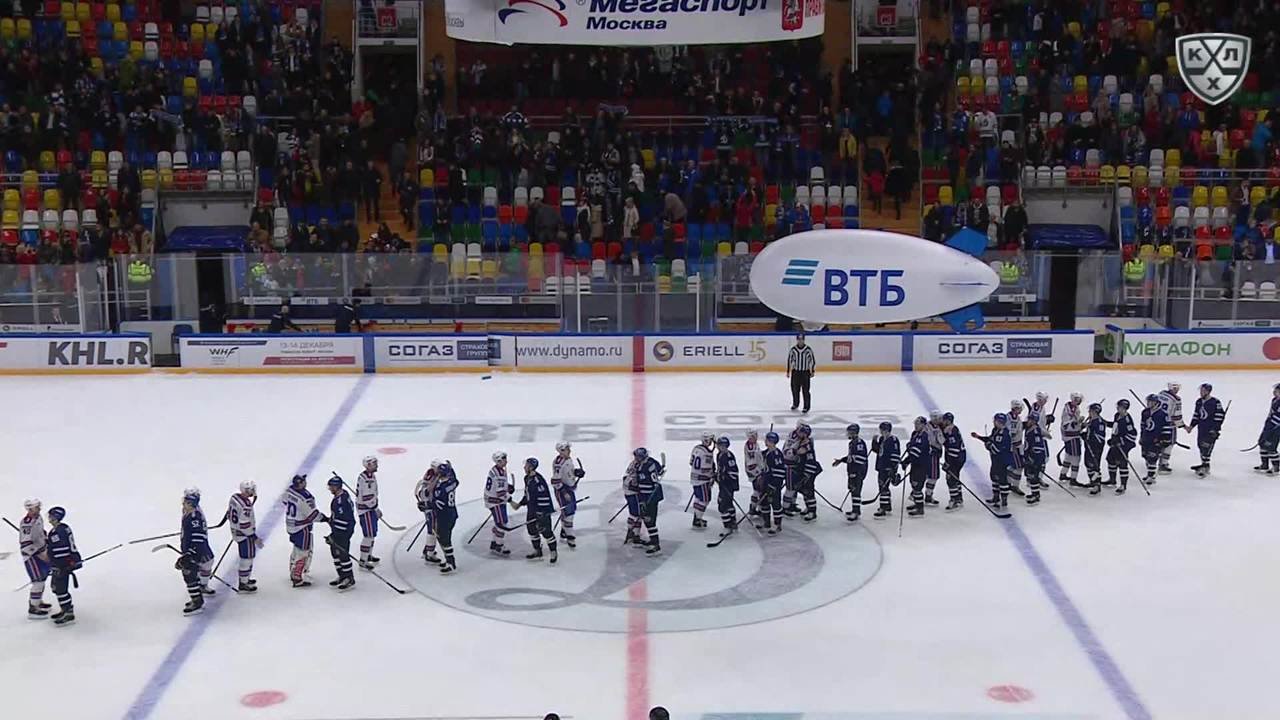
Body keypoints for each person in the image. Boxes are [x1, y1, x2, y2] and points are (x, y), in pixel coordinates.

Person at [515, 458, 557, 563]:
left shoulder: (538, 480)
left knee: (546, 532)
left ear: (531, 467)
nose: (524, 467)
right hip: (531, 510)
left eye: (526, 465)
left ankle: (553, 551)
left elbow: (544, 496)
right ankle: (537, 551)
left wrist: (542, 512)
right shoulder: (527, 478)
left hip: (541, 511)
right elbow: (528, 494)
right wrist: (520, 504)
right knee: (532, 530)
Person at [46, 506, 81, 627]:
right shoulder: (63, 528)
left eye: (50, 516)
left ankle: (68, 613)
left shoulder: (58, 531)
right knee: (56, 588)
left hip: (63, 565)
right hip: (66, 563)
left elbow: (60, 549)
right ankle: (64, 609)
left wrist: (58, 564)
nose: (49, 518)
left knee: (60, 589)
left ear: (55, 517)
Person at [321, 476, 356, 591]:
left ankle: (349, 578)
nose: (330, 489)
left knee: (343, 554)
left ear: (336, 486)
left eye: (331, 486)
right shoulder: (342, 496)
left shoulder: (341, 502)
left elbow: (343, 519)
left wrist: (335, 533)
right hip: (339, 530)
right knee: (335, 554)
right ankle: (342, 575)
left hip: (343, 531)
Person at [18, 498, 52, 620]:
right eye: (36, 507)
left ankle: (38, 601)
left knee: (42, 578)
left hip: (42, 551)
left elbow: (41, 532)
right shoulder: (27, 523)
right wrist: (41, 555)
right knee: (37, 581)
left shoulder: (38, 517)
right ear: (30, 509)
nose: (39, 509)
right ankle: (33, 608)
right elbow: (26, 544)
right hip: (32, 556)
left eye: (39, 506)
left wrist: (46, 540)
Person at [284, 474, 319, 587]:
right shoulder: (305, 497)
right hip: (302, 528)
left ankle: (292, 571)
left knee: (296, 549)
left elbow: (284, 501)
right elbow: (313, 515)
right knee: (304, 552)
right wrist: (327, 519)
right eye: (303, 481)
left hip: (291, 526)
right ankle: (297, 577)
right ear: (300, 484)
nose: (305, 482)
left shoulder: (289, 491)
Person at [972, 414, 1012, 509]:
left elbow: (998, 449)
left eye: (995, 420)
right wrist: (979, 437)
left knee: (1002, 480)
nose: (993, 422)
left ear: (1000, 422)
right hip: (995, 460)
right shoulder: (995, 430)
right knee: (994, 477)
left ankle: (1004, 500)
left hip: (1002, 461)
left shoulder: (1005, 434)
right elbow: (990, 439)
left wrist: (989, 446)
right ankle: (996, 497)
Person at [1186, 383, 1225, 477]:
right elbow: (1196, 415)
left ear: (1208, 391)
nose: (1201, 392)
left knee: (1206, 447)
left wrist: (1215, 429)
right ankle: (1203, 464)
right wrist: (1191, 426)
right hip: (1201, 428)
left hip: (1210, 429)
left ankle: (1206, 466)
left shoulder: (1215, 402)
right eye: (1201, 390)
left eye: (1203, 391)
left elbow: (1220, 416)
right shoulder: (1199, 402)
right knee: (1200, 445)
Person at [228, 481, 260, 593]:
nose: (253, 491)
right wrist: (253, 536)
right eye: (251, 489)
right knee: (247, 558)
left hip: (235, 531)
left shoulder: (234, 497)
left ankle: (245, 579)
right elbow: (244, 524)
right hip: (245, 535)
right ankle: (243, 583)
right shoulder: (246, 505)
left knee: (247, 557)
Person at [832, 423, 868, 521]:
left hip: (858, 471)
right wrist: (842, 460)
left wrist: (849, 459)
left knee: (856, 491)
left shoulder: (859, 443)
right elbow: (851, 457)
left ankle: (856, 512)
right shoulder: (852, 443)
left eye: (849, 432)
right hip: (852, 470)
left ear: (853, 432)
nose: (847, 434)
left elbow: (861, 458)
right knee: (853, 489)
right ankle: (855, 509)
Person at [632, 447, 665, 554]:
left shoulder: (646, 466)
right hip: (647, 496)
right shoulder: (646, 464)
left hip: (650, 497)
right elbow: (658, 471)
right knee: (647, 520)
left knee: (649, 521)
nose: (636, 458)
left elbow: (651, 483)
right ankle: (653, 540)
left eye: (638, 457)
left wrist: (645, 500)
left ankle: (656, 545)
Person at [550, 442, 583, 548]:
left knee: (571, 510)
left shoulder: (568, 459)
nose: (570, 451)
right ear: (561, 451)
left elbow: (568, 473)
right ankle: (570, 536)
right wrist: (564, 493)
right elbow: (555, 481)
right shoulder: (559, 463)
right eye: (567, 449)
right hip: (562, 490)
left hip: (569, 489)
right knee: (569, 512)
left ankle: (564, 531)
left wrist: (576, 472)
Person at [353, 456, 381, 570]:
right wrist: (376, 509)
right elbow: (367, 498)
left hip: (369, 509)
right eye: (374, 463)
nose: (377, 465)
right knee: (368, 535)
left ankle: (368, 555)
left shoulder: (370, 476)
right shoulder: (366, 479)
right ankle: (363, 560)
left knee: (372, 534)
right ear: (368, 465)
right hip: (366, 510)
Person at [1105, 399, 1138, 494]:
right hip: (1115, 444)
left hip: (1123, 445)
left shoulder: (1127, 420)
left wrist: (1120, 441)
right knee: (1110, 459)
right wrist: (1106, 423)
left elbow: (1132, 435)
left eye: (1120, 407)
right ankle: (1112, 480)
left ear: (1125, 408)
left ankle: (1123, 485)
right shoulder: (1117, 415)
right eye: (1118, 406)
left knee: (1122, 463)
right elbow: (1115, 426)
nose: (1118, 408)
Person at [433, 461, 460, 573]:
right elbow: (456, 480)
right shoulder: (452, 482)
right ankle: (448, 560)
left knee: (444, 539)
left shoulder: (441, 489)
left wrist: (426, 506)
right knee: (444, 537)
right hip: (452, 513)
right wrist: (451, 468)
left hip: (444, 516)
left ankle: (451, 563)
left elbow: (437, 503)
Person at [1140, 394, 1173, 487]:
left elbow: (1167, 428)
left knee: (1152, 457)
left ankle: (1151, 476)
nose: (1149, 403)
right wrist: (1141, 437)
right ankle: (1149, 473)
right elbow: (1143, 426)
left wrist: (1165, 439)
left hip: (1156, 440)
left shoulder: (1163, 414)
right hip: (1146, 438)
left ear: (1156, 402)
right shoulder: (1145, 412)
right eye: (1148, 401)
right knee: (1145, 456)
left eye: (1151, 401)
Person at [484, 452, 513, 557]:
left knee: (499, 523)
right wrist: (510, 499)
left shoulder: (497, 470)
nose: (506, 461)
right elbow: (500, 493)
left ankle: (494, 543)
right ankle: (499, 545)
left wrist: (507, 487)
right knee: (502, 523)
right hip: (496, 502)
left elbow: (498, 485)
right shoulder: (499, 474)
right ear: (498, 461)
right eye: (504, 459)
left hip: (494, 500)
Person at [901, 417, 931, 517]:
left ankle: (920, 509)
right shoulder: (915, 434)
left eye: (918, 424)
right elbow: (912, 449)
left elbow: (916, 451)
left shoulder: (925, 436)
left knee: (917, 486)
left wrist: (908, 457)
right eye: (915, 424)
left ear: (924, 425)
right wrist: (907, 460)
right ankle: (917, 504)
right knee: (913, 484)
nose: (916, 426)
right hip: (915, 464)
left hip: (922, 465)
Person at [871, 421, 902, 518]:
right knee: (883, 486)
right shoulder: (882, 439)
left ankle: (883, 508)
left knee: (883, 487)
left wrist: (893, 468)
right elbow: (878, 450)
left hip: (888, 467)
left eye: (882, 430)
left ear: (886, 430)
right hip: (881, 466)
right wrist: (874, 442)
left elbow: (896, 454)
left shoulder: (893, 440)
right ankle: (887, 506)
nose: (880, 431)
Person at [414, 463, 442, 565]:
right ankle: (430, 554)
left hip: (429, 506)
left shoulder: (431, 474)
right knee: (433, 530)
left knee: (433, 529)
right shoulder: (431, 475)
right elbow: (426, 490)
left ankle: (427, 550)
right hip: (430, 508)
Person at [760, 432, 787, 534]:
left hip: (774, 484)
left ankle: (777, 524)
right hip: (766, 482)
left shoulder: (776, 454)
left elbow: (780, 471)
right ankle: (766, 522)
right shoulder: (767, 452)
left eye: (767, 440)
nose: (765, 441)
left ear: (771, 442)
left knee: (775, 504)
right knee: (764, 502)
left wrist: (774, 485)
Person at [713, 436, 740, 536]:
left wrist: (724, 479)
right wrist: (717, 476)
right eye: (720, 445)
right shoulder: (719, 455)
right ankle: (733, 522)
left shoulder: (729, 456)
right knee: (728, 504)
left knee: (722, 505)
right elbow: (721, 470)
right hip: (723, 484)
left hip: (728, 485)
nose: (721, 447)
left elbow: (734, 472)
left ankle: (728, 525)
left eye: (723, 446)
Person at [1057, 393, 1085, 487]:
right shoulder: (1068, 409)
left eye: (1079, 400)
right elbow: (1068, 424)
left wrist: (1080, 426)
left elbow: (1074, 423)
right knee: (1076, 457)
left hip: (1072, 436)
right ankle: (1073, 479)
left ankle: (1063, 474)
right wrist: (1077, 422)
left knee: (1068, 456)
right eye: (1076, 399)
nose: (1077, 401)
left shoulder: (1075, 408)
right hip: (1072, 437)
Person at [939, 412, 966, 511]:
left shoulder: (951, 432)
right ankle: (959, 498)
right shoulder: (951, 428)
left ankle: (954, 500)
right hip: (959, 457)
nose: (942, 421)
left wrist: (948, 463)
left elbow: (954, 450)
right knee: (955, 477)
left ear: (948, 421)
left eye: (944, 420)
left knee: (950, 479)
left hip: (956, 458)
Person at [689, 432, 715, 529]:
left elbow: (691, 462)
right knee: (705, 500)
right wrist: (712, 475)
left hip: (694, 478)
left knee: (698, 498)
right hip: (703, 480)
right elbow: (705, 469)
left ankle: (696, 517)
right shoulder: (707, 453)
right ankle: (697, 519)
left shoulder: (696, 448)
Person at [1156, 383, 1183, 474]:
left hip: (1157, 423)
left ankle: (1152, 461)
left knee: (1158, 442)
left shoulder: (1160, 394)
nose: (1176, 389)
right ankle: (1163, 464)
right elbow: (1177, 417)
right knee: (1169, 444)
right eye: (1175, 388)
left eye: (1177, 388)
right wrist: (1183, 426)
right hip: (1169, 425)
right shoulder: (1176, 399)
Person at [786, 333, 816, 412]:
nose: (800, 341)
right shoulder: (793, 349)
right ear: (797, 340)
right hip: (796, 372)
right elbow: (789, 360)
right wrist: (788, 371)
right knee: (795, 389)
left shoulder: (808, 349)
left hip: (805, 372)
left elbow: (812, 360)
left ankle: (806, 406)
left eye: (802, 339)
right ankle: (795, 404)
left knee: (805, 390)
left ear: (804, 340)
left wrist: (812, 370)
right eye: (799, 339)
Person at [1022, 420, 1049, 505]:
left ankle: (1036, 495)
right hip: (1032, 457)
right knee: (1032, 476)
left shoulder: (1035, 431)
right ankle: (1035, 493)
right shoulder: (1030, 430)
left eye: (1030, 420)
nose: (1028, 421)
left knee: (1034, 476)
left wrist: (1034, 459)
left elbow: (1038, 447)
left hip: (1035, 458)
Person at [1083, 403, 1108, 494]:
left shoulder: (1099, 422)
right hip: (1089, 445)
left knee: (1094, 465)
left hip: (1096, 447)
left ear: (1095, 411)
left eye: (1090, 411)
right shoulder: (1092, 421)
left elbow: (1100, 437)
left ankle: (1097, 485)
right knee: (1087, 463)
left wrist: (1089, 438)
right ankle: (1092, 481)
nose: (1089, 412)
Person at [1256, 383, 1280, 475]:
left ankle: (1276, 467)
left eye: (1276, 390)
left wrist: (1273, 425)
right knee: (1262, 442)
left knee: (1271, 447)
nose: (1274, 392)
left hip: (1276, 428)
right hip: (1269, 426)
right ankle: (1264, 464)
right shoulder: (1274, 400)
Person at [742, 429, 765, 519]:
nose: (756, 437)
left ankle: (755, 508)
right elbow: (751, 464)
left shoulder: (754, 444)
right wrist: (759, 473)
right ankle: (754, 508)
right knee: (758, 490)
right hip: (754, 472)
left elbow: (757, 456)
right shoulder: (750, 447)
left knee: (758, 490)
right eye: (754, 435)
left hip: (755, 471)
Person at [924, 410, 945, 506]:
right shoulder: (927, 428)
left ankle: (922, 494)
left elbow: (942, 440)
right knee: (933, 476)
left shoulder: (938, 427)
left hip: (935, 454)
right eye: (939, 418)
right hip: (931, 455)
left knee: (931, 476)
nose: (941, 420)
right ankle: (927, 495)